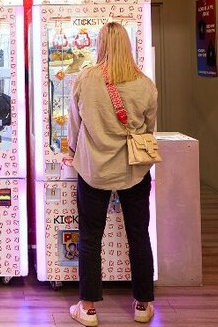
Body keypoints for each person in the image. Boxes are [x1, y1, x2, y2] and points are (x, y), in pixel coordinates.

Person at [65, 22, 158, 325]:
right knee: (139, 235)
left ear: (100, 44)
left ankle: (88, 307)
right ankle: (143, 304)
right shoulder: (145, 84)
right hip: (134, 169)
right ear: (128, 45)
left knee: (91, 238)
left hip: (94, 169)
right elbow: (147, 129)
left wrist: (71, 152)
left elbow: (75, 126)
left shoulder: (86, 79)